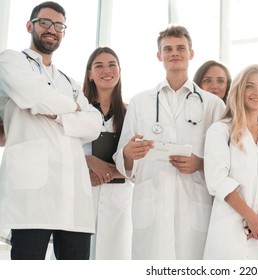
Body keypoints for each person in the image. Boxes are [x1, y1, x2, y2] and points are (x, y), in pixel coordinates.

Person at [0, 1, 102, 260]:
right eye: (44, 22)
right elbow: (32, 95)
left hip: (73, 196)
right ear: (30, 26)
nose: (52, 29)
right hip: (33, 195)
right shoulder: (11, 60)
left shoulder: (68, 81)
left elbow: (94, 124)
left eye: (59, 25)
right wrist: (73, 110)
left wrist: (57, 113)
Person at [114, 25, 226, 260]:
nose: (174, 53)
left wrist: (200, 163)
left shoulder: (213, 105)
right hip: (151, 207)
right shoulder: (140, 102)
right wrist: (128, 152)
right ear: (159, 56)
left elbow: (226, 160)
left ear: (191, 54)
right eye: (168, 49)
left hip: (195, 205)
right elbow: (122, 155)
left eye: (180, 48)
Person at [203, 64, 258, 259]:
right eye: (250, 86)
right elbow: (217, 180)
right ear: (239, 90)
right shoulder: (220, 131)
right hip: (230, 232)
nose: (257, 92)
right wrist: (251, 218)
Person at [82, 47, 132, 260]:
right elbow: (61, 153)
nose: (106, 70)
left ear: (119, 71)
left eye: (112, 64)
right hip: (82, 196)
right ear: (90, 74)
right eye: (99, 65)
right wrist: (89, 161)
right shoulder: (77, 110)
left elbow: (140, 166)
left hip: (119, 204)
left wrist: (105, 173)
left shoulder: (131, 113)